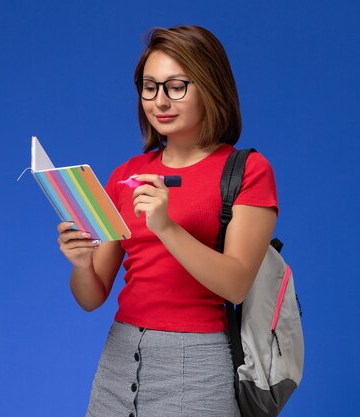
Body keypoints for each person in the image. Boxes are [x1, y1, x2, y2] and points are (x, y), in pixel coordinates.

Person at [57, 25, 278, 417]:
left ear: (210, 86)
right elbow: (91, 297)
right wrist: (79, 265)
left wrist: (166, 226)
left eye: (176, 86)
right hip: (119, 358)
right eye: (149, 86)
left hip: (196, 364)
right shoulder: (128, 174)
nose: (160, 101)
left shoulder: (247, 171)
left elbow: (237, 284)